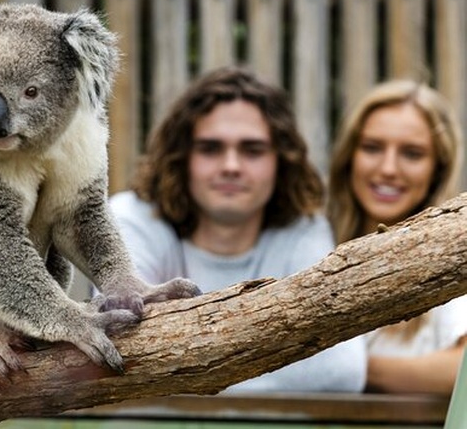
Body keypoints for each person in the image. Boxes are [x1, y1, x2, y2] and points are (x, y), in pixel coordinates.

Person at [110, 66, 366, 393]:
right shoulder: (134, 218)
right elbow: (126, 349)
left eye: (252, 150)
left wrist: (183, 375)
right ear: (182, 156)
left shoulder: (302, 231)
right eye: (211, 148)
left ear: (280, 160)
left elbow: (340, 371)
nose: (231, 166)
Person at [328, 78, 466, 394]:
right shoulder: (313, 242)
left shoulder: (453, 256)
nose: (389, 168)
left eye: (412, 153)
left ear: (438, 168)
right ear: (350, 156)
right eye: (372, 147)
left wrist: (342, 366)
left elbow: (462, 369)